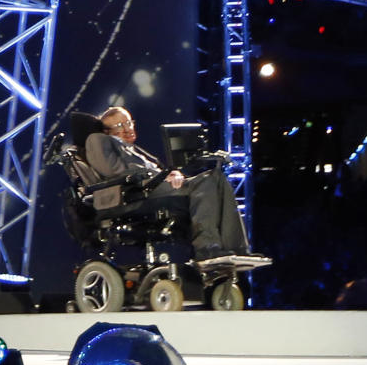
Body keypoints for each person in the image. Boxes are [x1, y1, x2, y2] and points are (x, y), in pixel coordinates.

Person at [83, 105, 267, 265]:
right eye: (120, 125)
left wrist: (172, 174)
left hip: (152, 187)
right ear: (107, 131)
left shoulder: (135, 150)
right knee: (205, 182)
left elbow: (159, 170)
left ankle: (236, 248)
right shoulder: (97, 139)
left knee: (216, 178)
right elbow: (113, 170)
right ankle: (206, 249)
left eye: (129, 122)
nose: (128, 128)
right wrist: (161, 177)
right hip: (132, 193)